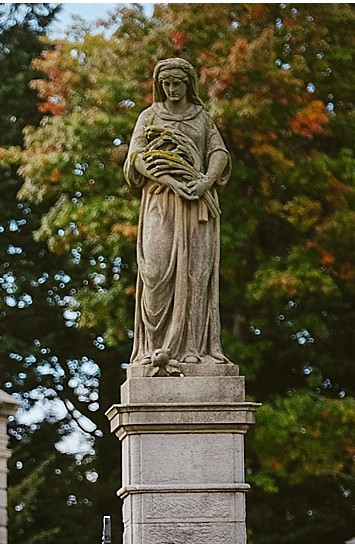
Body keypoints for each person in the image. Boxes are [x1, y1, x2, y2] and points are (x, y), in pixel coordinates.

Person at [125, 56, 232, 372]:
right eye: (166, 84)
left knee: (196, 275)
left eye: (177, 83)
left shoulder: (202, 119)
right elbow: (136, 158)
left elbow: (219, 153)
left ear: (189, 84)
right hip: (161, 201)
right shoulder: (149, 117)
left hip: (198, 207)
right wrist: (167, 177)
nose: (172, 89)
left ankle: (191, 349)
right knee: (155, 272)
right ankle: (155, 348)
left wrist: (205, 181)